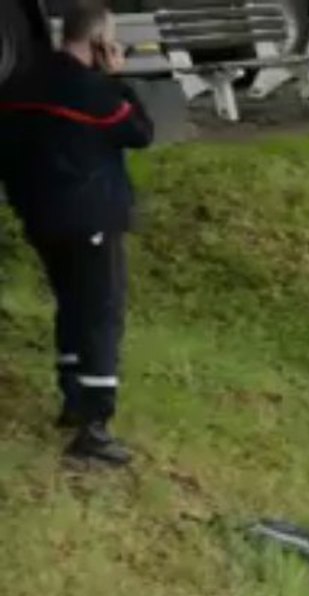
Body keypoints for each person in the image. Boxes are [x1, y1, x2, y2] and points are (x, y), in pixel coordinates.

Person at [0, 0, 154, 465]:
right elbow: (140, 131)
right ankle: (94, 424)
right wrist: (114, 77)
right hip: (89, 216)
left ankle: (72, 397)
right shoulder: (91, 91)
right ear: (102, 42)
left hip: (40, 216)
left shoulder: (19, 84)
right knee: (101, 314)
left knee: (71, 305)